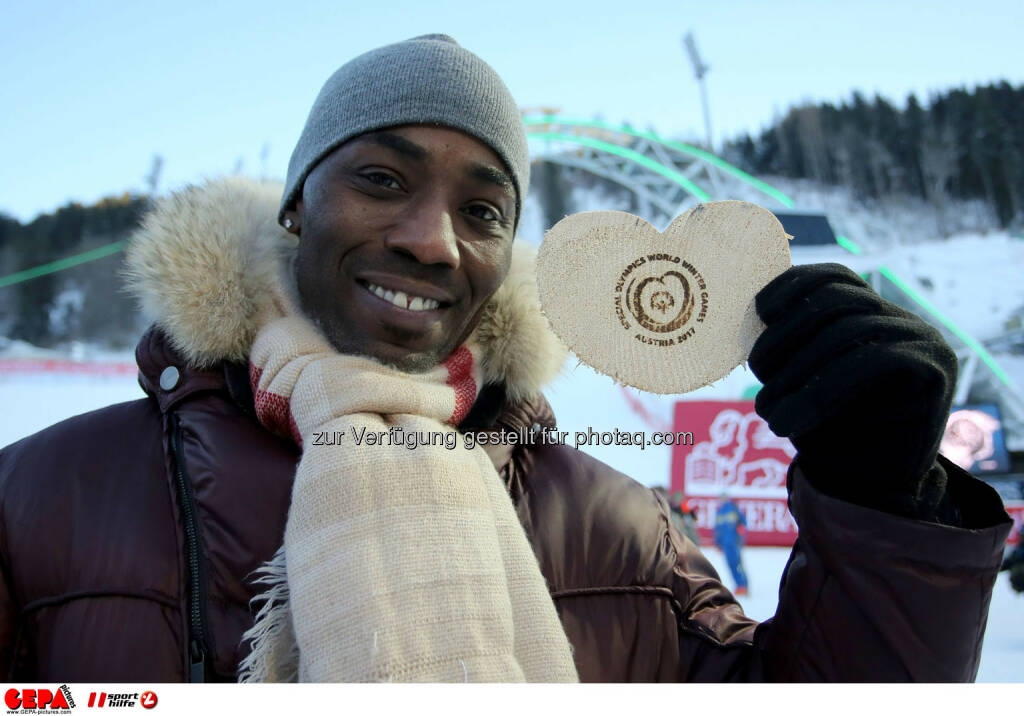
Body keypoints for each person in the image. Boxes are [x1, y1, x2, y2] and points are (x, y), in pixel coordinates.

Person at [0, 34, 1014, 682]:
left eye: (482, 208)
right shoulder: (42, 496)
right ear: (297, 203)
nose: (432, 238)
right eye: (381, 176)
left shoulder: (617, 528)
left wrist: (886, 509)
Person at [713, 494, 749, 595]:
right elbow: (717, 530)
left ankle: (743, 585)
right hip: (726, 543)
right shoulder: (719, 512)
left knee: (736, 563)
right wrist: (718, 543)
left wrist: (740, 531)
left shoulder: (733, 508)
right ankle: (740, 586)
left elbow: (743, 523)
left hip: (734, 542)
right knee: (732, 565)